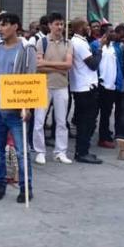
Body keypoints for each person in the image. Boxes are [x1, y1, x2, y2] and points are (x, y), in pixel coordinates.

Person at [0, 11, 37, 203]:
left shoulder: (26, 48)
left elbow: (30, 79)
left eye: (5, 25)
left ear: (15, 26)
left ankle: (25, 188)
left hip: (16, 110)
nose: (1, 29)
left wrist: (27, 107)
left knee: (22, 152)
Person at [33, 12, 73, 165]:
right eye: (56, 24)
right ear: (49, 25)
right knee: (39, 121)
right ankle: (40, 151)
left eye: (62, 24)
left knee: (61, 121)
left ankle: (60, 151)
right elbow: (38, 64)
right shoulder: (41, 42)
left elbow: (69, 65)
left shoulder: (68, 43)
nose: (60, 27)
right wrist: (59, 66)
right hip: (44, 85)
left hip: (62, 86)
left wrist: (47, 64)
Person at [68, 19, 104, 164]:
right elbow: (93, 64)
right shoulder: (79, 43)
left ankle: (83, 150)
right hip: (85, 88)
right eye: (86, 26)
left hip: (85, 86)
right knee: (86, 122)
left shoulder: (80, 41)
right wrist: (100, 49)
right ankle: (82, 152)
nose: (89, 28)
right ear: (81, 28)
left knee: (88, 121)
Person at [98, 25, 124, 149]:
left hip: (115, 84)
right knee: (105, 113)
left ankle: (115, 133)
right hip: (103, 84)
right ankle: (102, 138)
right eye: (111, 31)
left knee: (116, 111)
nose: (114, 33)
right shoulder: (96, 45)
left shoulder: (115, 47)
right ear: (105, 33)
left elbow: (119, 65)